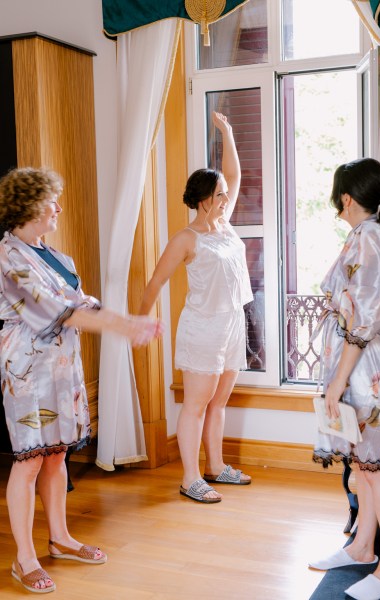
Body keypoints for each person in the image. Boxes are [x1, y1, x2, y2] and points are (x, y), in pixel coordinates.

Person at [0, 166, 162, 593]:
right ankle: (24, 558)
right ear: (31, 204)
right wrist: (126, 325)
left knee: (56, 456)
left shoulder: (55, 256)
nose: (58, 208)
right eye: (52, 200)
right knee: (30, 458)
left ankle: (60, 538)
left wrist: (124, 319)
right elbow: (64, 312)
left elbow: (84, 302)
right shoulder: (9, 257)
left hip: (60, 367)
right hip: (26, 372)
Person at [139, 111, 253, 504]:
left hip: (233, 322)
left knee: (219, 401)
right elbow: (155, 282)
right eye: (219, 193)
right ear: (204, 199)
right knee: (197, 404)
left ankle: (216, 467)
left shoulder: (225, 224)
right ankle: (190, 478)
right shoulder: (186, 238)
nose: (227, 197)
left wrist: (228, 132)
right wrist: (141, 321)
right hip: (202, 327)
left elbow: (234, 176)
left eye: (225, 194)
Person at [308, 158, 380, 600]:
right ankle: (363, 547)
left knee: (378, 469)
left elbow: (364, 319)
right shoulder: (367, 236)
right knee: (364, 463)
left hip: (371, 373)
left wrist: (337, 381)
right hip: (364, 371)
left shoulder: (371, 238)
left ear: (346, 197)